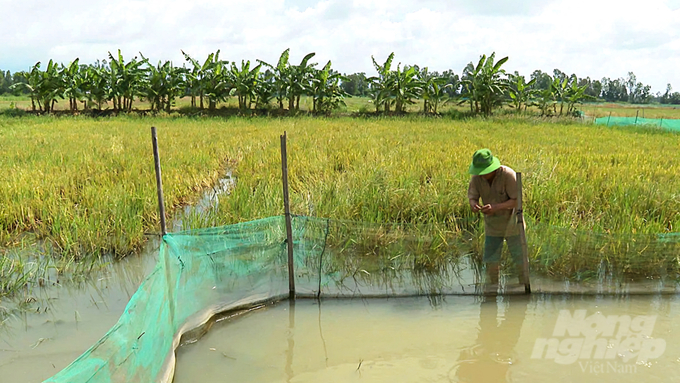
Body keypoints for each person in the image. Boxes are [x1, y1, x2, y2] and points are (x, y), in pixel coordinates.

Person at [467, 148, 525, 292]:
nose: (482, 175)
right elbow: (472, 196)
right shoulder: (476, 178)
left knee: (520, 260)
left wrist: (496, 207)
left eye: (485, 171)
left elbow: (517, 201)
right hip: (492, 225)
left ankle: (523, 287)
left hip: (513, 224)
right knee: (491, 261)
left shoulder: (508, 175)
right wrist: (473, 204)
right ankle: (492, 290)